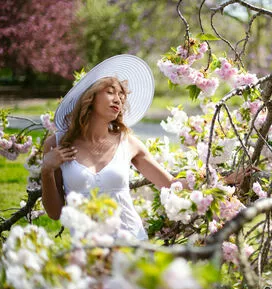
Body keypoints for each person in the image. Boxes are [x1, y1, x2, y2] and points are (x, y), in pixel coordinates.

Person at [41, 54, 246, 240]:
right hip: (87, 251)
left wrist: (224, 180)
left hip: (132, 243)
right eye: (110, 92)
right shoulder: (58, 144)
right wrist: (47, 170)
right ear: (90, 98)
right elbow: (56, 213)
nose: (118, 99)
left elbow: (170, 184)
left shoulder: (127, 141)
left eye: (122, 95)